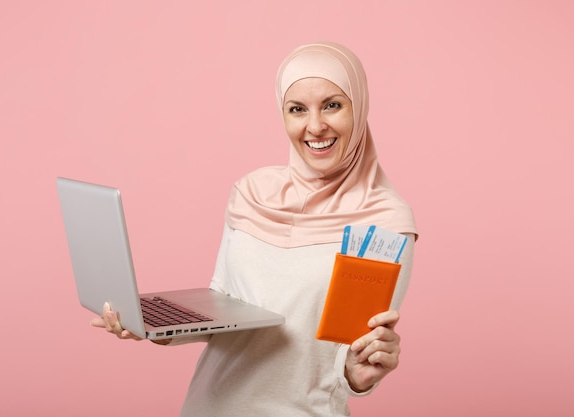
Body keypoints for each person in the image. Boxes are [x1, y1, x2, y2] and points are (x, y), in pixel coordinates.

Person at [92, 41, 418, 416]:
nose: (315, 126)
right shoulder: (253, 193)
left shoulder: (383, 222)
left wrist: (358, 376)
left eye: (332, 105)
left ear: (358, 107)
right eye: (297, 109)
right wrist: (152, 326)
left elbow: (350, 352)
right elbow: (224, 304)